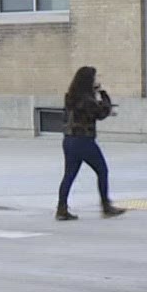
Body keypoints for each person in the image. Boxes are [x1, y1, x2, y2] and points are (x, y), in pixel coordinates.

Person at [56, 66, 124, 221]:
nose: (96, 80)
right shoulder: (86, 100)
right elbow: (101, 113)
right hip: (83, 140)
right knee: (102, 170)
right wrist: (103, 94)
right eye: (94, 78)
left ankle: (61, 208)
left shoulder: (70, 97)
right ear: (89, 81)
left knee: (69, 174)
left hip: (69, 140)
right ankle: (106, 206)